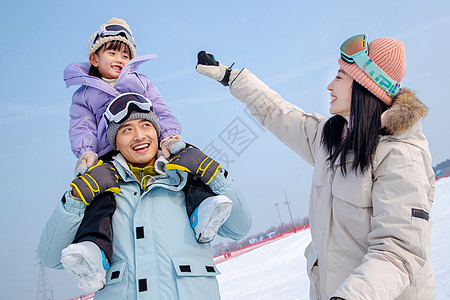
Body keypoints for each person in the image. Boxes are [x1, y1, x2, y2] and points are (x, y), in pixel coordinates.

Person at [195, 34, 435, 300]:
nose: (330, 85)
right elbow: (278, 113)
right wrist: (232, 77)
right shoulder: (332, 141)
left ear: (366, 88)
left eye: (341, 77)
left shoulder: (401, 156)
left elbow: (399, 251)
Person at [62, 17, 233, 291]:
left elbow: (160, 110)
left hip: (150, 149)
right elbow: (81, 125)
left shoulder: (140, 82)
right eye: (112, 52)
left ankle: (202, 209)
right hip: (110, 157)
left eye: (125, 53)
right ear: (94, 58)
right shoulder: (84, 94)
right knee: (102, 202)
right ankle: (94, 251)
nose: (120, 58)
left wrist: (169, 136)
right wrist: (86, 153)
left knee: (182, 169)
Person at [37, 93, 252, 299]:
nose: (139, 136)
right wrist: (76, 198)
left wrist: (213, 173)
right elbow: (51, 257)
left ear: (157, 132)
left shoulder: (185, 179)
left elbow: (239, 227)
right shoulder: (101, 190)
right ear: (115, 143)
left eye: (146, 125)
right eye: (127, 130)